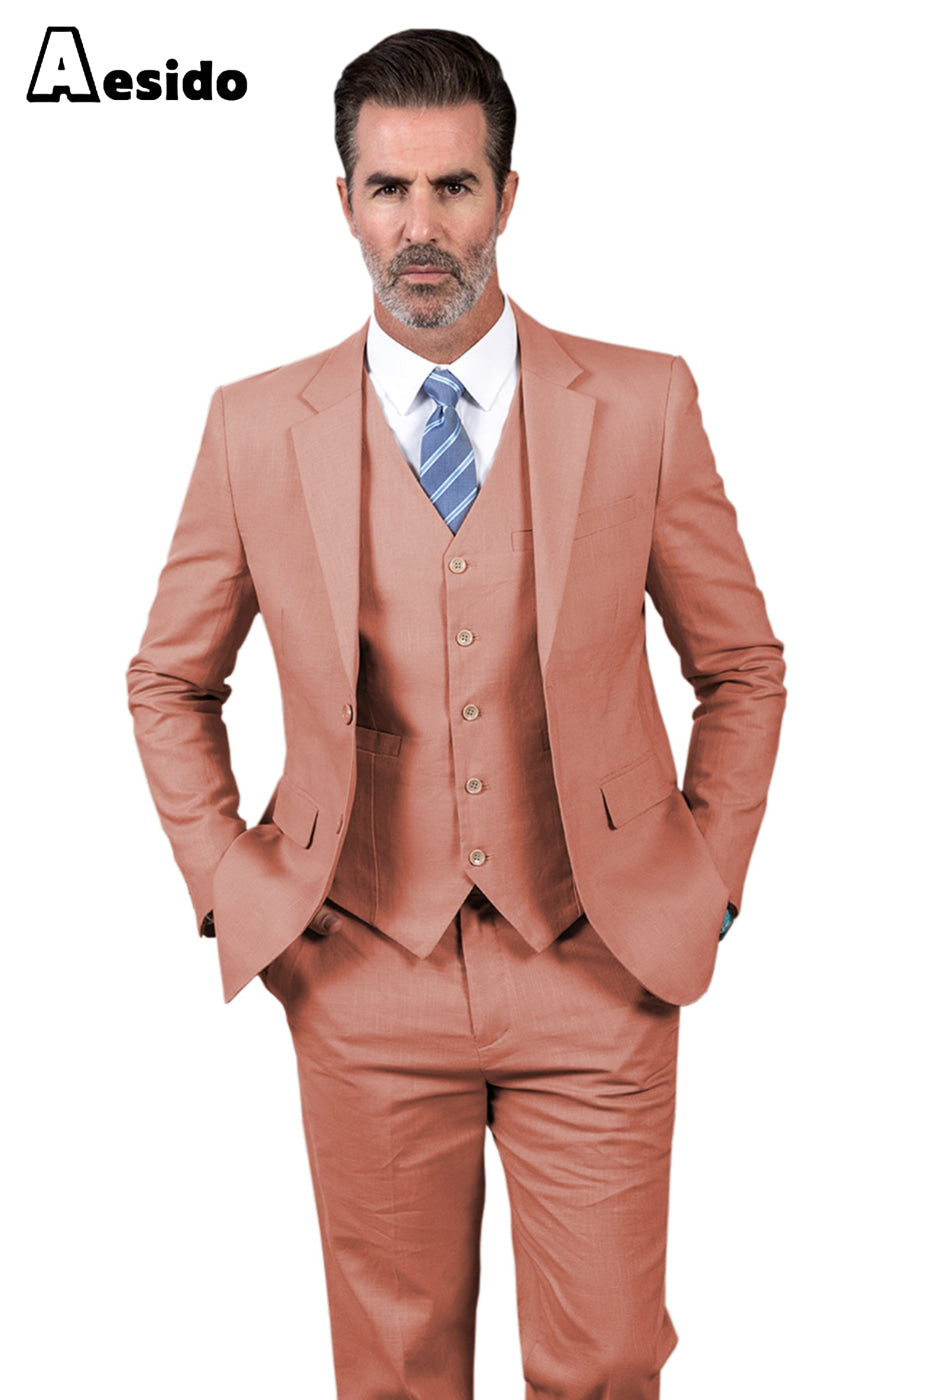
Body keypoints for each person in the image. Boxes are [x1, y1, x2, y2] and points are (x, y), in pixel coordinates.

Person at [126, 27, 786, 1400]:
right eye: (389, 189)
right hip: (362, 967)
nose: (420, 228)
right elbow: (170, 680)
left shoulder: (643, 403)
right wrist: (236, 890)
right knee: (394, 1375)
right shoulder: (254, 426)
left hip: (598, 962)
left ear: (506, 196)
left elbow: (739, 666)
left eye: (452, 188)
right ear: (345, 202)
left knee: (607, 1367)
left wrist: (707, 879)